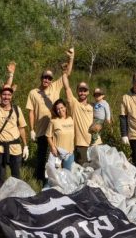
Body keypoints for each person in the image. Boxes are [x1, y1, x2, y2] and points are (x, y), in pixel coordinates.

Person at [26, 48, 74, 183]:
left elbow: (67, 74)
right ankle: (40, 180)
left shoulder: (55, 86)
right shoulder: (33, 92)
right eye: (45, 77)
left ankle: (60, 180)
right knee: (41, 156)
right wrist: (31, 129)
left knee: (57, 156)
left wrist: (71, 58)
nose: (47, 80)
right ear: (41, 78)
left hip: (57, 129)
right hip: (41, 130)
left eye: (49, 78)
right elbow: (30, 111)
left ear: (51, 80)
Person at [0, 85, 29, 189]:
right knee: (0, 177)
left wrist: (26, 145)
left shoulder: (17, 109)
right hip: (0, 148)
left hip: (15, 148)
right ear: (0, 96)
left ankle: (16, 199)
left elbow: (21, 128)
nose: (6, 97)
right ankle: (1, 201)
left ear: (12, 96)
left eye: (9, 95)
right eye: (4, 94)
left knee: (16, 177)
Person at [60, 51, 94, 165]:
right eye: (80, 90)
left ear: (88, 92)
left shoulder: (92, 106)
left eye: (84, 90)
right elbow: (66, 87)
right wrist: (65, 72)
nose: (82, 92)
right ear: (77, 91)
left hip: (94, 144)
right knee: (83, 171)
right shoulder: (74, 103)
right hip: (81, 144)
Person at [47, 99, 75, 171]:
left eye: (62, 107)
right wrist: (53, 147)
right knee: (56, 176)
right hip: (57, 154)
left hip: (69, 153)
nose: (60, 110)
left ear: (65, 108)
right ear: (56, 111)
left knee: (68, 175)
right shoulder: (53, 121)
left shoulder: (71, 119)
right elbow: (48, 136)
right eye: (58, 109)